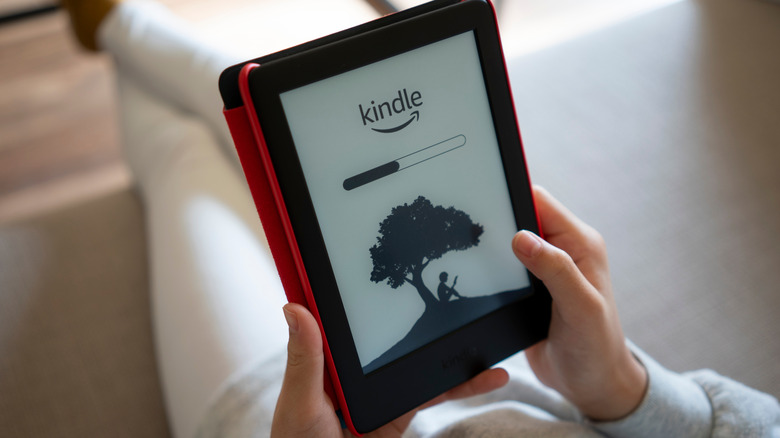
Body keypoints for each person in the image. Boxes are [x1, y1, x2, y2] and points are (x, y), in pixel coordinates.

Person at [61, 1, 780, 437]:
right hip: (528, 392)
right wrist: (620, 387)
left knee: (184, 159)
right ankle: (124, 24)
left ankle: (122, 25)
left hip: (304, 420)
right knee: (271, 128)